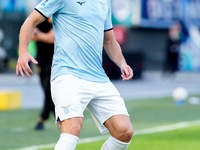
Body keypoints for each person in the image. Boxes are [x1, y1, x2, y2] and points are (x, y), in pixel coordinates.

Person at [16, 0, 134, 150]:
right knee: (73, 129)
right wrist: (23, 52)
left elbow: (109, 40)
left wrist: (122, 63)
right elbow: (30, 21)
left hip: (99, 77)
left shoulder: (105, 2)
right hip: (68, 74)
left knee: (124, 132)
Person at [31, 17, 55, 130]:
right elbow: (30, 35)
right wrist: (40, 35)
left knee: (48, 90)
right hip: (41, 61)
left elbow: (51, 38)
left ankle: (42, 119)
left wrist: (38, 34)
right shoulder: (40, 19)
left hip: (54, 61)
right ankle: (58, 116)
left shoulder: (57, 17)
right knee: (47, 91)